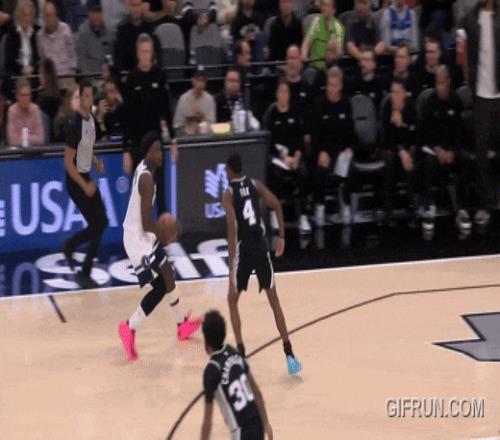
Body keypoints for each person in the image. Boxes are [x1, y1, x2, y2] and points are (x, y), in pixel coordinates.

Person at [118, 131, 201, 360]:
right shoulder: (147, 180)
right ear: (147, 153)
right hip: (137, 239)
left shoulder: (146, 170)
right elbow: (146, 223)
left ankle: (182, 325)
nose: (160, 154)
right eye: (155, 150)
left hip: (144, 235)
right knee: (160, 287)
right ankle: (129, 327)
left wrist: (161, 233)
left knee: (167, 272)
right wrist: (163, 235)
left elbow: (147, 222)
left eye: (160, 149)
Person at [223, 153, 302, 375]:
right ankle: (289, 353)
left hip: (244, 250)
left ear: (229, 170)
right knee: (274, 301)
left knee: (232, 300)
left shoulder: (229, 194)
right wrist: (282, 236)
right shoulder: (255, 185)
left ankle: (241, 352)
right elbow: (276, 205)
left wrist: (231, 265)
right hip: (260, 247)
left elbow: (232, 229)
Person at [63, 79, 108, 288]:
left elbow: (86, 147)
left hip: (86, 176)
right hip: (76, 181)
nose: (90, 100)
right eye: (86, 96)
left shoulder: (90, 120)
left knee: (101, 223)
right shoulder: (76, 125)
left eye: (92, 96)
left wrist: (96, 162)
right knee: (99, 223)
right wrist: (84, 185)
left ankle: (71, 245)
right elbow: (67, 162)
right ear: (80, 97)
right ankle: (84, 270)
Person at [201, 310, 273, 440]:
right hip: (257, 422)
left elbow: (208, 420)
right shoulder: (233, 352)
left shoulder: (211, 370)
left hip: (241, 431)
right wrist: (266, 422)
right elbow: (255, 389)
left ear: (206, 340)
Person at [419, 65, 474, 233]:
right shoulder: (429, 102)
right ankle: (430, 206)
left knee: (466, 158)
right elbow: (424, 134)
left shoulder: (456, 100)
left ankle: (462, 208)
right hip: (435, 151)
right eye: (437, 83)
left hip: (452, 150)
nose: (439, 87)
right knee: (427, 161)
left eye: (442, 83)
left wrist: (453, 151)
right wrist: (437, 150)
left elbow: (460, 132)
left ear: (449, 82)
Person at [459, 0, 500, 226]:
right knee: (482, 153)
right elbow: (463, 56)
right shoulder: (469, 19)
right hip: (481, 95)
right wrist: (470, 84)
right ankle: (487, 203)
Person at [263, 79, 311, 233]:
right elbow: (269, 142)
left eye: (286, 92)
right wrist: (283, 158)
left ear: (289, 95)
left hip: (293, 157)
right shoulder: (271, 114)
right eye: (281, 92)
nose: (283, 95)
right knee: (273, 173)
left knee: (303, 172)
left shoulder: (295, 113)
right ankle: (274, 214)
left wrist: (296, 158)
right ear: (276, 94)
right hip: (277, 158)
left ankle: (303, 216)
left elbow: (300, 141)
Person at [310, 66, 356, 226]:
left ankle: (346, 204)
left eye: (334, 85)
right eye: (329, 85)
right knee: (320, 168)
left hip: (341, 150)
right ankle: (320, 206)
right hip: (324, 150)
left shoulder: (346, 103)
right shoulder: (319, 104)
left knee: (350, 167)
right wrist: (321, 151)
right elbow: (315, 134)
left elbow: (351, 132)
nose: (331, 89)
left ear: (340, 86)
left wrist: (349, 148)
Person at [301, 0, 345, 70]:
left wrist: (331, 30)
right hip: (315, 68)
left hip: (331, 68)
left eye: (327, 6)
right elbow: (307, 42)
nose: (324, 8)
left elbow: (339, 52)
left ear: (333, 10)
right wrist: (304, 55)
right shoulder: (316, 22)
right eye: (323, 5)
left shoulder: (339, 27)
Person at [173, 66, 216, 133]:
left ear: (206, 82)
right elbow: (177, 124)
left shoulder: (210, 99)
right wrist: (188, 128)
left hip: (205, 136)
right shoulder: (183, 99)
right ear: (192, 80)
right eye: (197, 80)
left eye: (202, 80)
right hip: (187, 136)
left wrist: (202, 118)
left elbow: (213, 125)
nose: (200, 83)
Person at [7, 78, 44, 146]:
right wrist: (31, 138)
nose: (26, 98)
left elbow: (40, 139)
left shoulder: (35, 109)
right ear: (17, 96)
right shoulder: (12, 111)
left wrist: (23, 138)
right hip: (18, 151)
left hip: (34, 150)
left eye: (28, 95)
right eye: (23, 95)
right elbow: (12, 140)